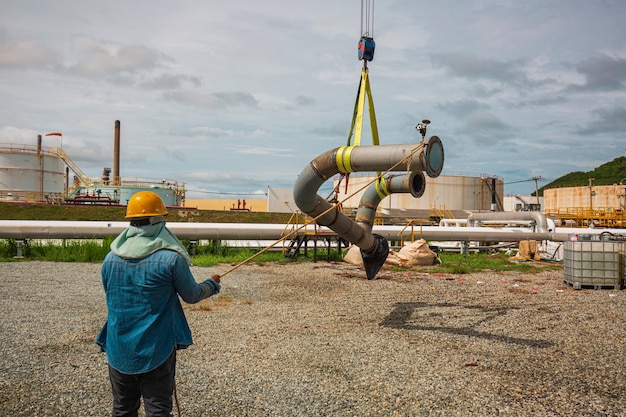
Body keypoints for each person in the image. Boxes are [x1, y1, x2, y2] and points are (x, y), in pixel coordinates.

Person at [96, 191, 221, 417]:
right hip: (157, 349)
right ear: (158, 221)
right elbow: (192, 295)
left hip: (118, 348)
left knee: (122, 409)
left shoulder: (109, 259)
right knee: (158, 410)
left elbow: (111, 296)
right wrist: (211, 285)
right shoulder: (170, 259)